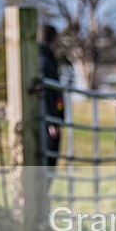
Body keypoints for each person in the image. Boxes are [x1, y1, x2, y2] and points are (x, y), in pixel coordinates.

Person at [38, 24, 63, 168]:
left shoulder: (46, 56)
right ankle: (41, 190)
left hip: (50, 119)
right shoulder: (43, 59)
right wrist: (52, 121)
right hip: (49, 121)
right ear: (54, 38)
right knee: (48, 163)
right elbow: (46, 92)